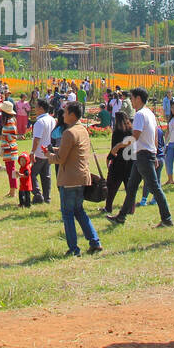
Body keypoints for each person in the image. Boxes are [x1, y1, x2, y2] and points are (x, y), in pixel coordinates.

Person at [106, 88, 174, 228]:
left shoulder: (140, 115)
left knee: (154, 187)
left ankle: (167, 219)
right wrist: (155, 154)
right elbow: (155, 136)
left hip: (143, 155)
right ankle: (121, 216)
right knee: (131, 188)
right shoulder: (149, 113)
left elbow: (135, 137)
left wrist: (118, 146)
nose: (131, 101)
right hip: (144, 154)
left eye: (132, 98)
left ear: (138, 98)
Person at [52, 101, 102, 257]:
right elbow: (72, 150)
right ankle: (94, 241)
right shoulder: (82, 130)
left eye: (65, 112)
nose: (63, 115)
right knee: (79, 211)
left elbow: (61, 158)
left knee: (68, 214)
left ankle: (73, 249)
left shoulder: (69, 132)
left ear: (72, 115)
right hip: (81, 177)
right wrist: (54, 150)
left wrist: (49, 156)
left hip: (69, 179)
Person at [102, 109, 135, 217]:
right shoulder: (131, 130)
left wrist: (109, 158)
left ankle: (108, 207)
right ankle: (131, 208)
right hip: (130, 161)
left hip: (119, 161)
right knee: (129, 187)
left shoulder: (117, 132)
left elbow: (114, 148)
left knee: (112, 186)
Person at [29, 98, 54, 204]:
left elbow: (37, 139)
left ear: (41, 108)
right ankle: (47, 197)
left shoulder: (39, 122)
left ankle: (38, 194)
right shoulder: (52, 119)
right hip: (48, 152)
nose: (35, 108)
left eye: (36, 106)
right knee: (46, 176)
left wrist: (32, 152)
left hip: (39, 152)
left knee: (31, 173)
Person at [0, 100, 18, 198]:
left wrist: (3, 137)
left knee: (11, 170)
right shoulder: (10, 120)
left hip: (10, 148)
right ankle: (12, 190)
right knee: (10, 171)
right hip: (8, 148)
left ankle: (13, 191)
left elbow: (13, 135)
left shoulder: (9, 121)